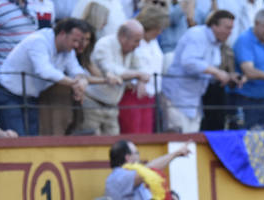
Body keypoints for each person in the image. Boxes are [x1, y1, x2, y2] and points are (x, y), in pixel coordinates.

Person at [0, 18, 90, 136]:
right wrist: (74, 83)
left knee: (32, 141)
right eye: (74, 40)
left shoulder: (68, 50)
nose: (76, 45)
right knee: (16, 141)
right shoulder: (38, 40)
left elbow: (76, 70)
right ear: (62, 33)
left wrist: (82, 82)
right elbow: (44, 71)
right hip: (8, 95)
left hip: (30, 97)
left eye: (78, 41)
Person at [161, 9, 241, 133]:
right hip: (177, 99)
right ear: (214, 26)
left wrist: (227, 77)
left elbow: (206, 70)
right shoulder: (197, 35)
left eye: (231, 29)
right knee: (178, 142)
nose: (230, 32)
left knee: (191, 143)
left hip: (194, 102)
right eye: (227, 28)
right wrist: (217, 72)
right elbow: (188, 61)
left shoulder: (216, 43)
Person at [80, 20, 149, 135]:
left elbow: (142, 69)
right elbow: (111, 70)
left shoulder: (131, 49)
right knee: (91, 143)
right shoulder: (104, 44)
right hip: (92, 104)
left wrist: (141, 79)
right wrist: (138, 75)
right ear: (123, 37)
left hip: (112, 107)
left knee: (114, 145)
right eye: (136, 41)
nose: (138, 45)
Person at [105, 139, 192, 200]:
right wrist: (175, 154)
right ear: (128, 157)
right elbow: (149, 170)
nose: (139, 157)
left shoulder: (132, 177)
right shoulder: (118, 177)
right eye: (136, 153)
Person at [119, 5, 170, 134]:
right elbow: (123, 65)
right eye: (159, 28)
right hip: (132, 93)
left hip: (151, 95)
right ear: (151, 25)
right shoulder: (133, 41)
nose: (161, 32)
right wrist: (136, 81)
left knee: (147, 134)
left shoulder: (154, 42)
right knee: (133, 132)